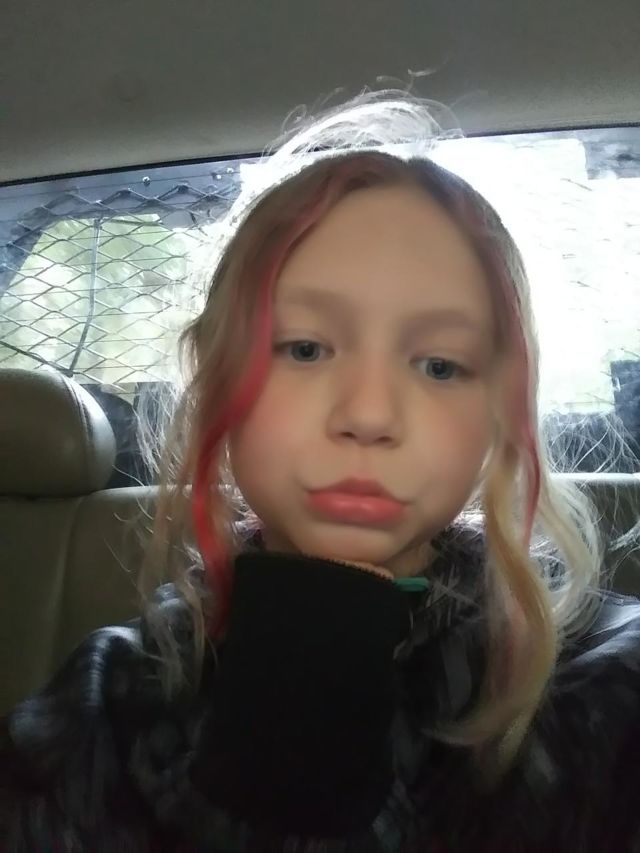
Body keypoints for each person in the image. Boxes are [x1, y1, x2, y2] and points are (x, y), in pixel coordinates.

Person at [2, 92, 639, 852]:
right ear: (218, 379)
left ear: (499, 415)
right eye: (305, 348)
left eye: (440, 365)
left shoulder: (604, 688)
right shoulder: (107, 701)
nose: (368, 414)